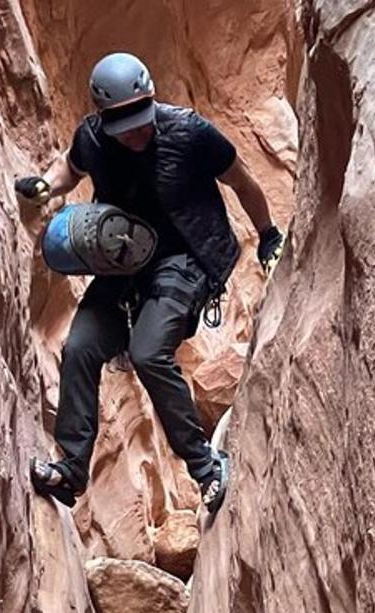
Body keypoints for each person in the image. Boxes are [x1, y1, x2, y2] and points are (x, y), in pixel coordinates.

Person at [16, 52, 284, 514]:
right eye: (128, 127)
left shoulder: (189, 132)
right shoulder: (93, 139)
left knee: (147, 352)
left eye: (144, 119)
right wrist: (46, 185)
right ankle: (71, 469)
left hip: (188, 259)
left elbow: (241, 180)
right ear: (105, 120)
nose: (140, 132)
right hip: (123, 264)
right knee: (80, 346)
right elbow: (71, 167)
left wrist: (268, 236)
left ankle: (206, 468)